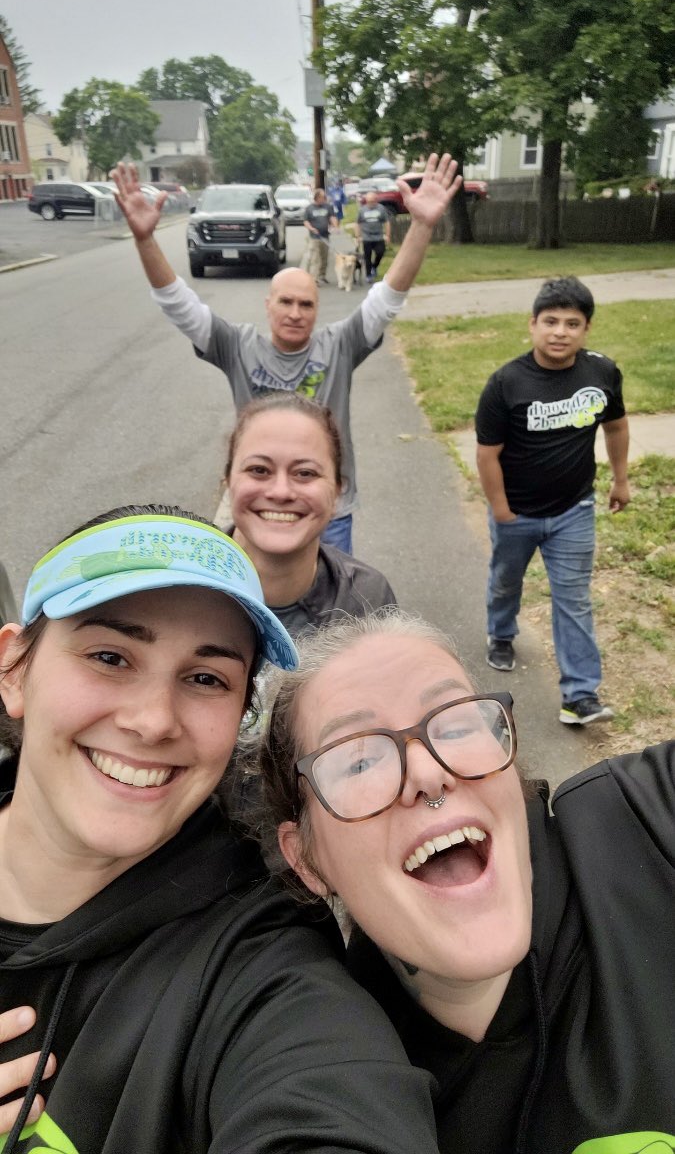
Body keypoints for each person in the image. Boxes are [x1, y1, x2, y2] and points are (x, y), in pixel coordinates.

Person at [0, 510, 440, 1154]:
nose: (153, 721)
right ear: (14, 668)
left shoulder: (259, 966)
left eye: (206, 679)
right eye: (110, 656)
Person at [259, 610, 675, 1152]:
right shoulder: (333, 1062)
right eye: (359, 762)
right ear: (308, 862)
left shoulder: (644, 821)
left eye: (455, 725)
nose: (429, 773)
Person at [111, 154, 463, 557]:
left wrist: (421, 226)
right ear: (268, 305)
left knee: (334, 613)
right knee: (258, 612)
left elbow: (388, 298)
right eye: (286, 302)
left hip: (329, 510)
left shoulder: (341, 344)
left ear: (317, 309)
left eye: (306, 304)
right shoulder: (237, 346)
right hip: (261, 508)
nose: (295, 313)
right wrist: (144, 239)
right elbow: (178, 304)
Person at [475, 275, 630, 725]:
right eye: (551, 321)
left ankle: (580, 696)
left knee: (574, 599)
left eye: (572, 323)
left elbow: (616, 426)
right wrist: (502, 510)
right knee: (506, 582)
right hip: (516, 513)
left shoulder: (602, 372)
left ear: (587, 329)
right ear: (533, 325)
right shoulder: (506, 383)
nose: (560, 331)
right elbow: (488, 454)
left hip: (574, 512)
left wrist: (620, 480)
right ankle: (501, 633)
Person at [224, 392, 396, 638]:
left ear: (337, 492)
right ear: (227, 481)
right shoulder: (176, 585)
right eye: (259, 470)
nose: (281, 492)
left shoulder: (368, 599)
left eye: (305, 473)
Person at [303, 188, 338, 285]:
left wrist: (335, 225)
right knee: (315, 258)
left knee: (324, 258)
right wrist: (311, 228)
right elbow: (306, 221)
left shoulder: (328, 207)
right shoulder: (310, 208)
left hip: (325, 236)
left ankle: (322, 275)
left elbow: (332, 217)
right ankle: (314, 278)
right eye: (322, 197)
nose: (324, 199)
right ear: (317, 197)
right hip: (314, 237)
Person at [355, 192, 392, 283]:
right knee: (367, 257)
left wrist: (387, 235)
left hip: (378, 236)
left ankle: (374, 267)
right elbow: (357, 223)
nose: (370, 203)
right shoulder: (362, 210)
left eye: (372, 201)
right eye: (368, 201)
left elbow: (386, 222)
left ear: (376, 200)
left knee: (380, 253)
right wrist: (358, 236)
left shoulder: (381, 209)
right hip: (366, 237)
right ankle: (368, 275)